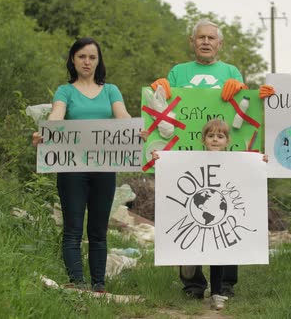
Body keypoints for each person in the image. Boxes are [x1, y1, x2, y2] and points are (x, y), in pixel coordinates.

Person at [145, 18, 272, 300]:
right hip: (186, 158)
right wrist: (160, 91)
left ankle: (225, 283)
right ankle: (193, 284)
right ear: (192, 42)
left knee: (227, 213)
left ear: (219, 44)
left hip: (225, 159)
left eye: (210, 38)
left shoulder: (230, 70)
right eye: (200, 38)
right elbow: (164, 108)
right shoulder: (178, 72)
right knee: (187, 214)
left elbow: (245, 110)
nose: (205, 42)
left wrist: (240, 88)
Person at [32, 37, 131, 292]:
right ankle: (78, 284)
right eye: (82, 57)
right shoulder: (64, 91)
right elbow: (57, 114)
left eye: (92, 57)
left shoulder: (111, 90)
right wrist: (47, 132)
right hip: (72, 168)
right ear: (73, 60)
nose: (87, 62)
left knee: (98, 230)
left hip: (104, 168)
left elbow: (123, 117)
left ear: (98, 61)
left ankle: (99, 285)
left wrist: (135, 131)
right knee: (73, 229)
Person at [151, 119, 268, 310]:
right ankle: (193, 281)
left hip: (220, 217)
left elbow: (248, 180)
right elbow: (172, 171)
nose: (215, 140)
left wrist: (260, 163)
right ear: (203, 139)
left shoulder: (235, 162)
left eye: (220, 136)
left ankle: (217, 292)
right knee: (192, 242)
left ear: (227, 141)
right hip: (197, 215)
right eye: (211, 136)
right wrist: (160, 159)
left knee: (219, 252)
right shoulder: (191, 161)